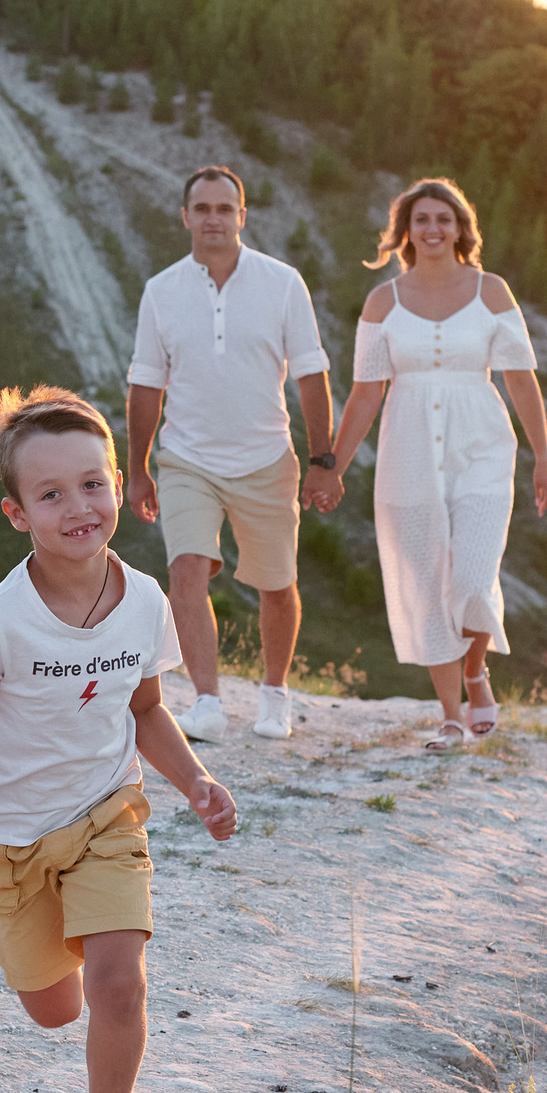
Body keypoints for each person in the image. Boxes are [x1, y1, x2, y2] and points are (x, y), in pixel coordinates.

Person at [0, 384, 240, 1093]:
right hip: (10, 840)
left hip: (106, 815)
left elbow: (144, 709)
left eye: (93, 483)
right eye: (51, 492)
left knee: (117, 983)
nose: (79, 506)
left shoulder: (143, 601)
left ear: (118, 488)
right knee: (55, 1007)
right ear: (16, 512)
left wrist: (196, 781)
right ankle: (60, 943)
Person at [308, 180, 547, 749]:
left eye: (444, 219)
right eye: (421, 219)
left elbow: (520, 377)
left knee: (471, 579)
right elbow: (366, 393)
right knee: (425, 585)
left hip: (483, 454)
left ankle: (475, 668)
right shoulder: (383, 303)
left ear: (461, 228)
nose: (433, 229)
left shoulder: (492, 291)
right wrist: (332, 466)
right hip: (408, 457)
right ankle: (449, 715)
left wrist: (543, 457)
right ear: (405, 231)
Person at [126, 165, 336, 743]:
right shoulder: (161, 291)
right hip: (187, 458)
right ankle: (208, 703)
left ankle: (274, 695)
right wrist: (139, 469)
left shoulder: (283, 283)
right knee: (186, 570)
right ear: (186, 216)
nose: (213, 217)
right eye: (203, 208)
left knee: (276, 583)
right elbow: (146, 384)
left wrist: (322, 462)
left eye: (225, 208)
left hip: (266, 457)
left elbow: (313, 375)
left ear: (242, 216)